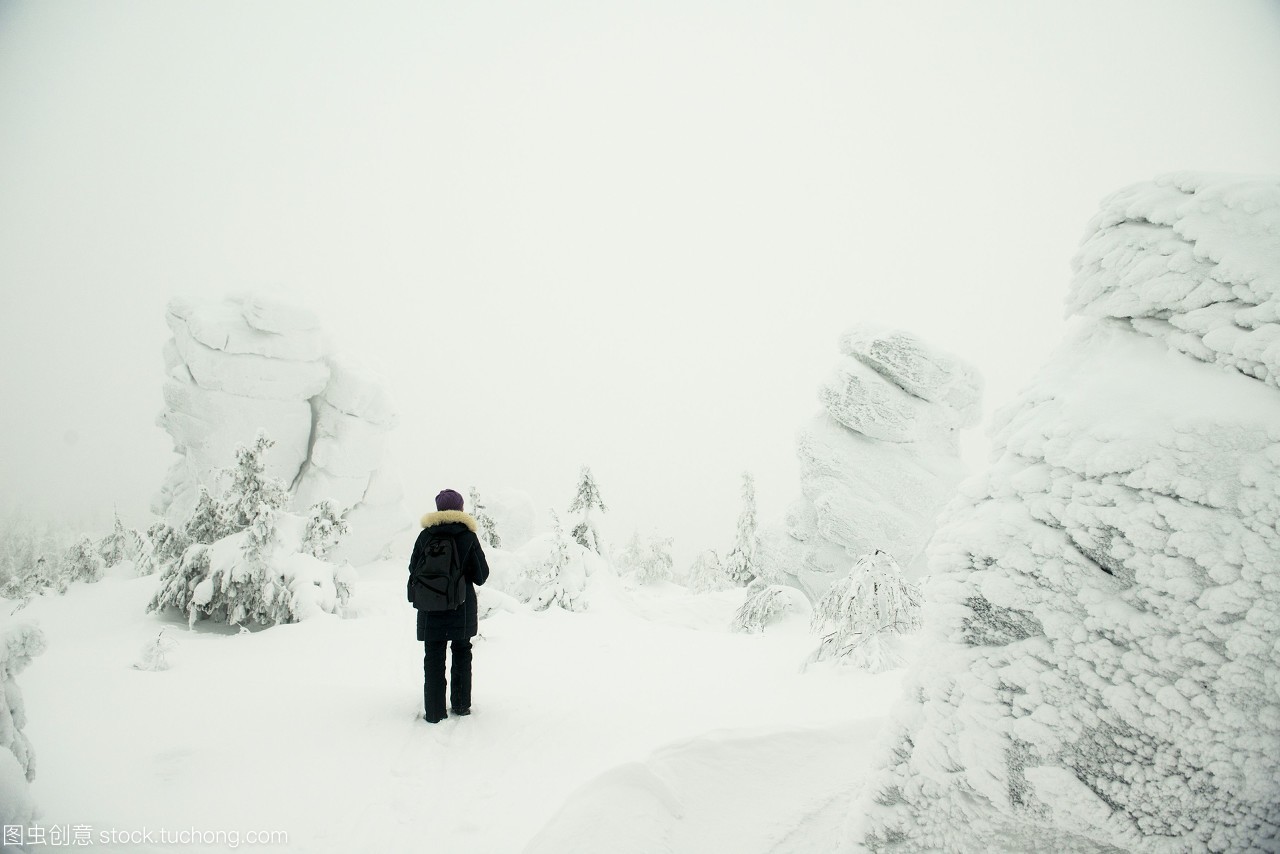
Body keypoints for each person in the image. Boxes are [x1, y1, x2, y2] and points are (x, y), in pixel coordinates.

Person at [408, 488, 490, 723]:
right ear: (460, 509)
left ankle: (434, 712)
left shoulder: (425, 536)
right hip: (461, 609)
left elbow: (413, 570)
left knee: (433, 656)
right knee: (462, 653)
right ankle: (461, 706)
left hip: (429, 607)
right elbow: (481, 575)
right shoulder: (467, 536)